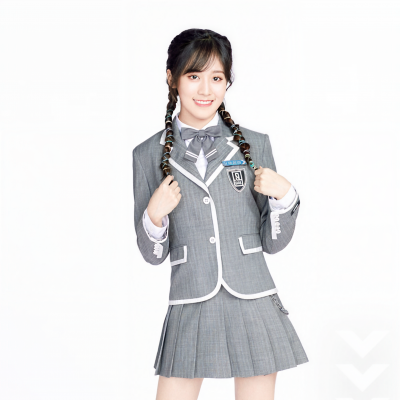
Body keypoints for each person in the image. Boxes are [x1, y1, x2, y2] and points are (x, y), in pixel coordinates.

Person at [132, 28, 308, 400]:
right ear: (172, 78)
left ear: (228, 81)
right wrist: (153, 216)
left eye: (216, 78)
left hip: (252, 294)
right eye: (194, 76)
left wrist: (286, 196)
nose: (206, 89)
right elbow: (152, 255)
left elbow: (272, 243)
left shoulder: (255, 144)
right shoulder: (146, 154)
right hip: (191, 295)